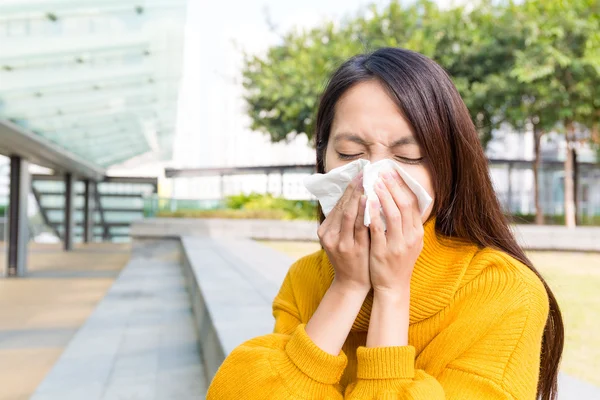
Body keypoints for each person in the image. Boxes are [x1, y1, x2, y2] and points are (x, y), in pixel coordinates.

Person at [206, 47, 564, 400]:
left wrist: (392, 293)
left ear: (447, 166)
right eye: (349, 153)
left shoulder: (505, 291)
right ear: (323, 159)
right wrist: (346, 288)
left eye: (408, 156)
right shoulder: (305, 281)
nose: (373, 175)